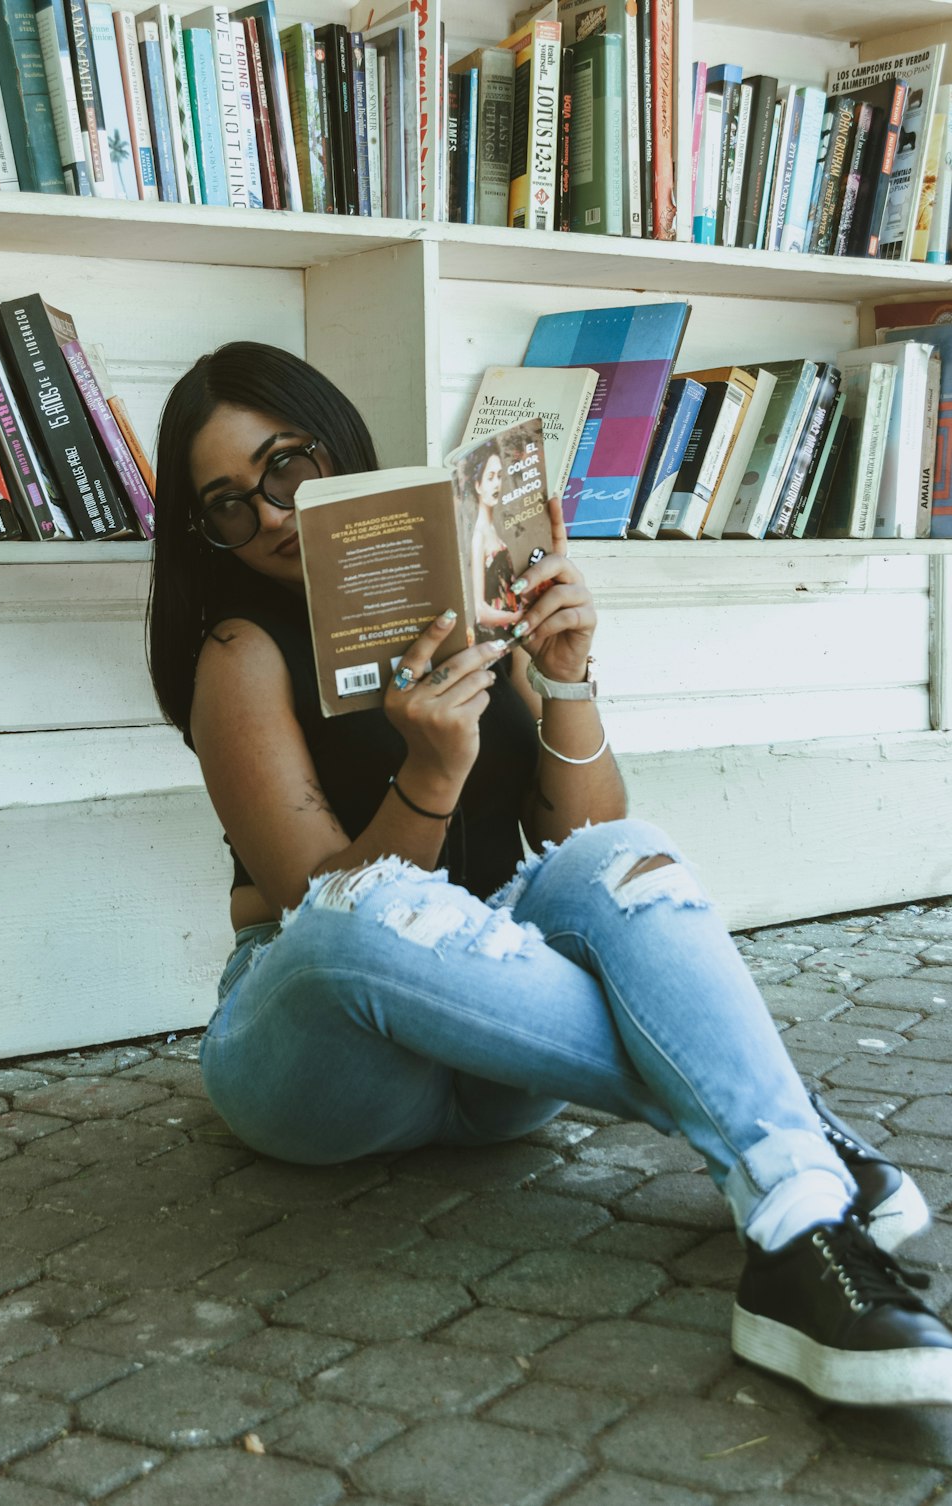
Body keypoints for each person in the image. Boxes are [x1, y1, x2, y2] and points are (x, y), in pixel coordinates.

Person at [147, 340, 951, 1409]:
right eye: (229, 505)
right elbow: (317, 906)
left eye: (287, 465)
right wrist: (431, 773)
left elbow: (589, 835)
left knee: (622, 856)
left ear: (337, 443)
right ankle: (787, 1129)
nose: (274, 514)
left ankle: (796, 1225)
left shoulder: (471, 592)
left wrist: (565, 679)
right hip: (319, 1063)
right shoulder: (240, 651)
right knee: (359, 915)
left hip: (494, 1041)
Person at [465, 437, 522, 641]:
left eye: (499, 476)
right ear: (478, 485)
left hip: (512, 629)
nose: (497, 483)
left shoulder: (496, 528)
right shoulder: (478, 536)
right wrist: (519, 616)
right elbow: (479, 610)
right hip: (495, 635)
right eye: (490, 477)